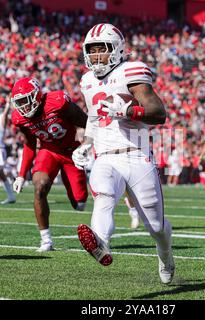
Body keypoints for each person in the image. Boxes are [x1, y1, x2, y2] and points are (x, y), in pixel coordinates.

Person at [72, 23, 175, 284]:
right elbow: (94, 119)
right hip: (105, 155)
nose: (96, 56)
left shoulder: (132, 71)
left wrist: (130, 111)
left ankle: (165, 256)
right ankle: (101, 244)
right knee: (103, 195)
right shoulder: (87, 80)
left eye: (102, 50)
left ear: (117, 50)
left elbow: (158, 113)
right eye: (91, 51)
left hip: (137, 154)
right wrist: (85, 144)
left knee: (156, 226)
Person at [11, 77, 89, 252]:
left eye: (26, 101)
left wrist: (85, 146)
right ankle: (46, 240)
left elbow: (87, 123)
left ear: (37, 95)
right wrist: (22, 174)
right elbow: (30, 144)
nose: (23, 107)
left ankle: (74, 192)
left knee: (80, 203)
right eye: (19, 102)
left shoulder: (57, 102)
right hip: (49, 152)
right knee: (40, 187)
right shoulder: (19, 118)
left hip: (71, 152)